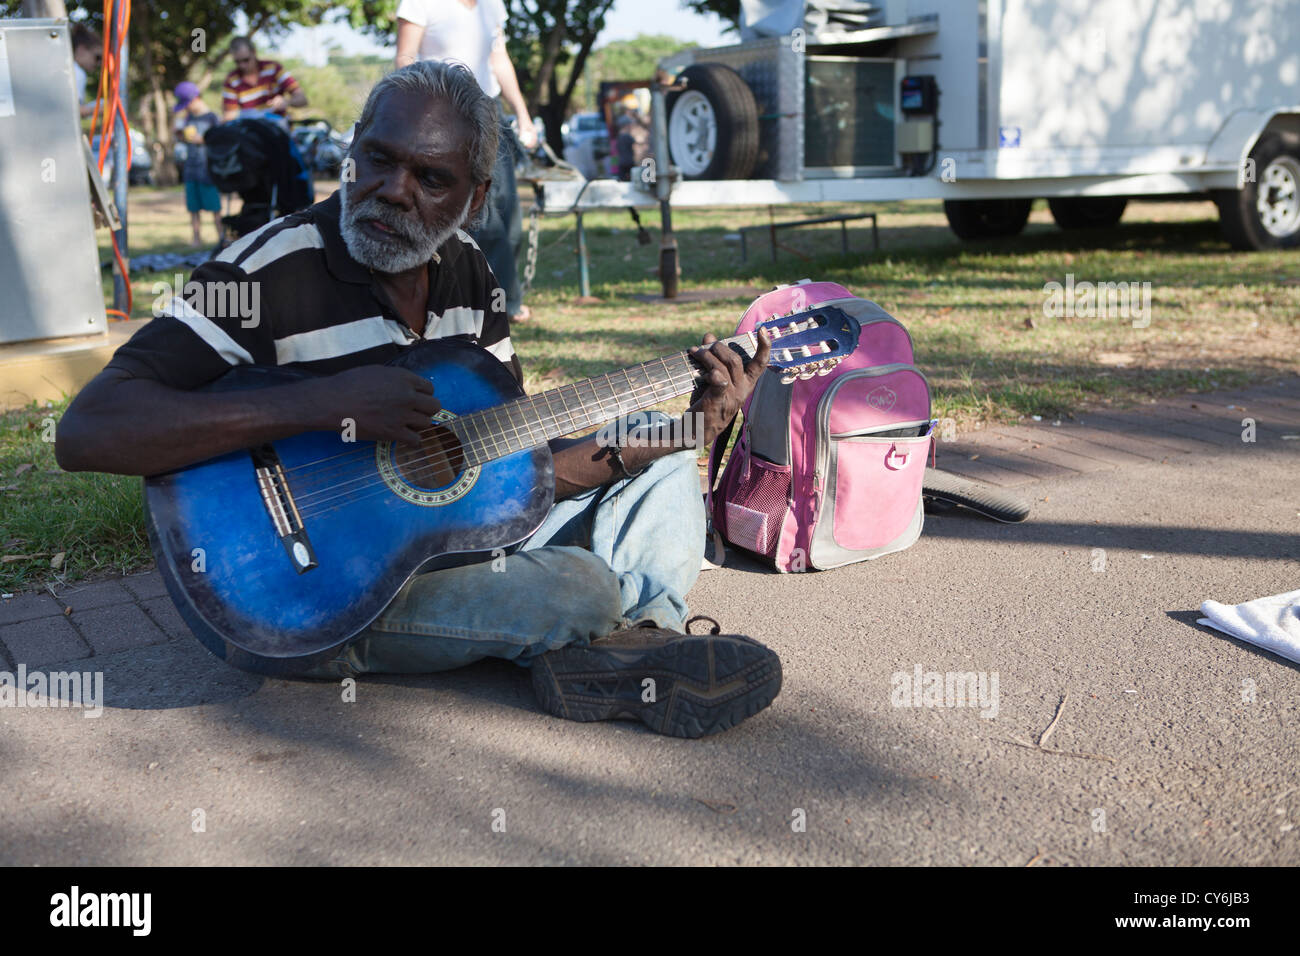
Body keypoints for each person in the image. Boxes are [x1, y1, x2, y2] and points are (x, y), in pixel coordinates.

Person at [55, 61, 782, 739]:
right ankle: (607, 633)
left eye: (430, 177)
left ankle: (638, 644)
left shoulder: (469, 275)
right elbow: (88, 431)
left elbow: (506, 474)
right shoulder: (261, 274)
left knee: (659, 440)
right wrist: (322, 403)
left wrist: (695, 425)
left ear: (476, 199)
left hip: (431, 545)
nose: (393, 189)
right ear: (351, 151)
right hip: (304, 600)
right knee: (578, 588)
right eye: (378, 158)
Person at [395, 0, 536, 323]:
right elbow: (405, 58)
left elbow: (498, 59)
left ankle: (505, 301)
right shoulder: (418, 3)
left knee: (504, 212)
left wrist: (523, 116)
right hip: (441, 111)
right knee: (459, 213)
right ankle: (450, 300)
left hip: (488, 111)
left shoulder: (492, 5)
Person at [173, 82, 223, 247]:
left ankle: (221, 237)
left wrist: (203, 140)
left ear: (196, 99)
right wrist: (180, 136)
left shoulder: (212, 118)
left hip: (208, 170)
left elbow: (220, 142)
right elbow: (185, 140)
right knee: (193, 208)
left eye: (187, 105)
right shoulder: (189, 118)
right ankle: (196, 239)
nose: (186, 109)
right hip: (191, 169)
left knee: (215, 208)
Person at [221, 36, 307, 123]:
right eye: (237, 62)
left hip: (278, 128)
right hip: (250, 131)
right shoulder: (232, 80)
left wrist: (286, 102)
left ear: (254, 52)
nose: (242, 66)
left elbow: (302, 99)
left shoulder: (274, 69)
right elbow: (229, 116)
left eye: (246, 60)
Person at [70, 23, 101, 119]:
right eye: (98, 57)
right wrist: (103, 108)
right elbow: (73, 110)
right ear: (81, 50)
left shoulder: (68, 68)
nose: (99, 63)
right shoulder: (77, 72)